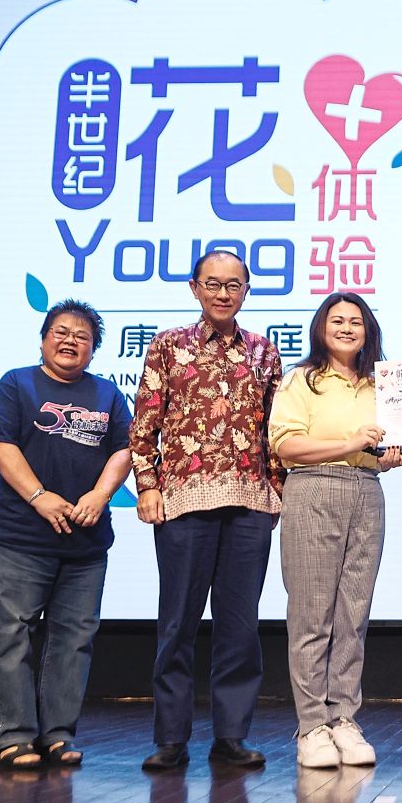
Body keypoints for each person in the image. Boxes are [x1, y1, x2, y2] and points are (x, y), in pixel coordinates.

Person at [130, 250, 285, 771]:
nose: (223, 293)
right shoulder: (168, 346)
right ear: (194, 287)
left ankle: (231, 737)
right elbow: (144, 425)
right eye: (213, 284)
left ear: (247, 290)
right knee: (177, 623)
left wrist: (277, 490)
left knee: (239, 626)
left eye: (234, 285)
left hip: (250, 505)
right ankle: (171, 738)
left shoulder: (265, 353)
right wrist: (146, 486)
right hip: (182, 502)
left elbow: (276, 432)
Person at [0, 299, 132, 771]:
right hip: (19, 537)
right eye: (61, 332)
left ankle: (58, 734)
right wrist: (40, 496)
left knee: (74, 639)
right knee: (12, 635)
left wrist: (100, 496)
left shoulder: (107, 395)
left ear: (94, 349)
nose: (70, 341)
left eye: (82, 337)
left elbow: (125, 450)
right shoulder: (16, 383)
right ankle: (14, 736)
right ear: (43, 339)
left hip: (86, 543)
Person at [268, 292, 402, 768]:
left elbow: (386, 445)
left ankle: (344, 718)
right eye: (337, 320)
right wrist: (348, 442)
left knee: (353, 613)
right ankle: (311, 726)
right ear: (321, 327)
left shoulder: (379, 384)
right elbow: (285, 446)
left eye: (356, 321)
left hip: (366, 490)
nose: (347, 328)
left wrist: (387, 457)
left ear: (368, 330)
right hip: (312, 489)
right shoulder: (301, 380)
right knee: (312, 615)